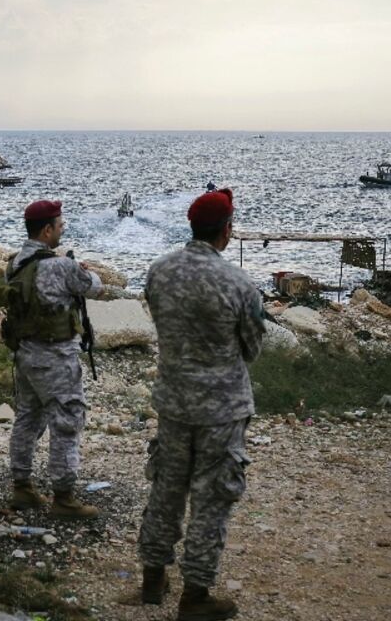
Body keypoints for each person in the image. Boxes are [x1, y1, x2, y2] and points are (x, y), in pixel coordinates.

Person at [136, 187, 264, 620]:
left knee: (166, 488)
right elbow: (251, 348)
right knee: (211, 500)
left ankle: (152, 579)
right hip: (221, 409)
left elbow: (159, 322)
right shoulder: (240, 284)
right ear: (227, 230)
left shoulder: (158, 271)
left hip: (173, 401)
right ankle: (195, 596)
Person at [3, 199, 104, 520]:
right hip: (56, 357)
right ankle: (64, 496)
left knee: (28, 418)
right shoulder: (59, 266)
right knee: (67, 420)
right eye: (60, 226)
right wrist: (87, 271)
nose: (62, 231)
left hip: (24, 356)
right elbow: (95, 288)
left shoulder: (15, 264)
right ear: (47, 231)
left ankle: (22, 486)